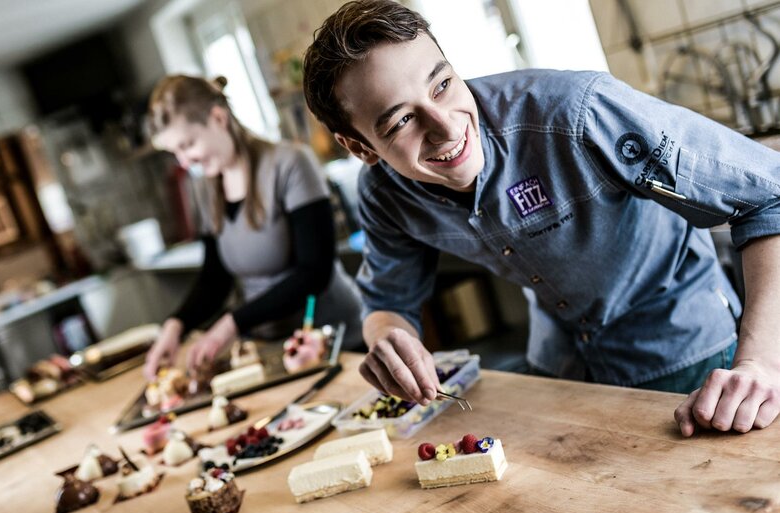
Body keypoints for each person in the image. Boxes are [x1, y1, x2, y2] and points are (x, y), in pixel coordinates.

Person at [301, 0, 780, 437]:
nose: (446, 126)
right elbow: (388, 301)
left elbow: (768, 197)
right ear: (360, 147)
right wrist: (387, 337)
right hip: (564, 369)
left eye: (443, 84)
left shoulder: (576, 111)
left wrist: (760, 364)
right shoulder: (385, 193)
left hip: (687, 356)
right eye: (401, 120)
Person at [142, 75, 364, 380]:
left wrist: (232, 323)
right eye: (175, 153)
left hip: (336, 341)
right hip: (271, 349)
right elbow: (214, 276)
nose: (185, 160)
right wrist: (176, 326)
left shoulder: (291, 163)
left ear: (218, 118)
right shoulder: (204, 188)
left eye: (188, 144)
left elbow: (315, 271)